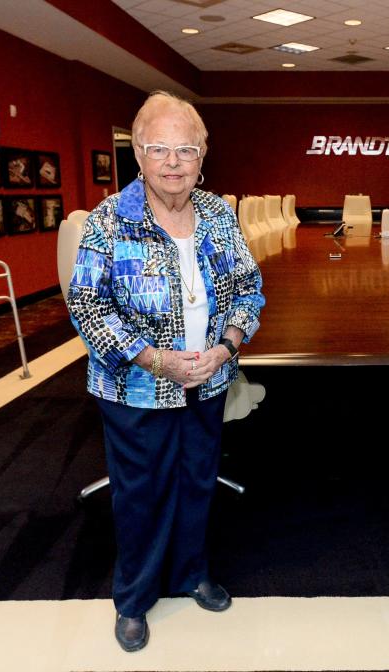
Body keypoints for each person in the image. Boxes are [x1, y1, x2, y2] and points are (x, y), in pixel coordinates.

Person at [67, 91, 265, 652]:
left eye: (186, 149)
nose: (174, 162)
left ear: (203, 157)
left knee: (197, 482)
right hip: (134, 388)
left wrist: (226, 348)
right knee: (141, 493)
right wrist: (154, 360)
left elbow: (249, 290)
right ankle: (133, 597)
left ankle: (190, 572)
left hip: (208, 378)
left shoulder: (221, 217)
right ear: (140, 157)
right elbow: (87, 306)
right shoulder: (109, 222)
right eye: (160, 148)